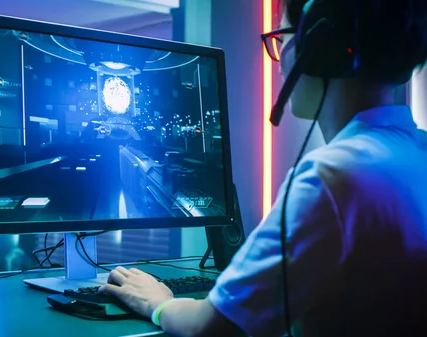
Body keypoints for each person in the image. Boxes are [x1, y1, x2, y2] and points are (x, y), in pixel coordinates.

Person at [98, 0, 427, 336]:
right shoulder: (418, 154)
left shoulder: (331, 177)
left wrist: (158, 302)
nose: (279, 64)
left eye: (281, 38)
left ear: (317, 45)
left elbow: (210, 329)